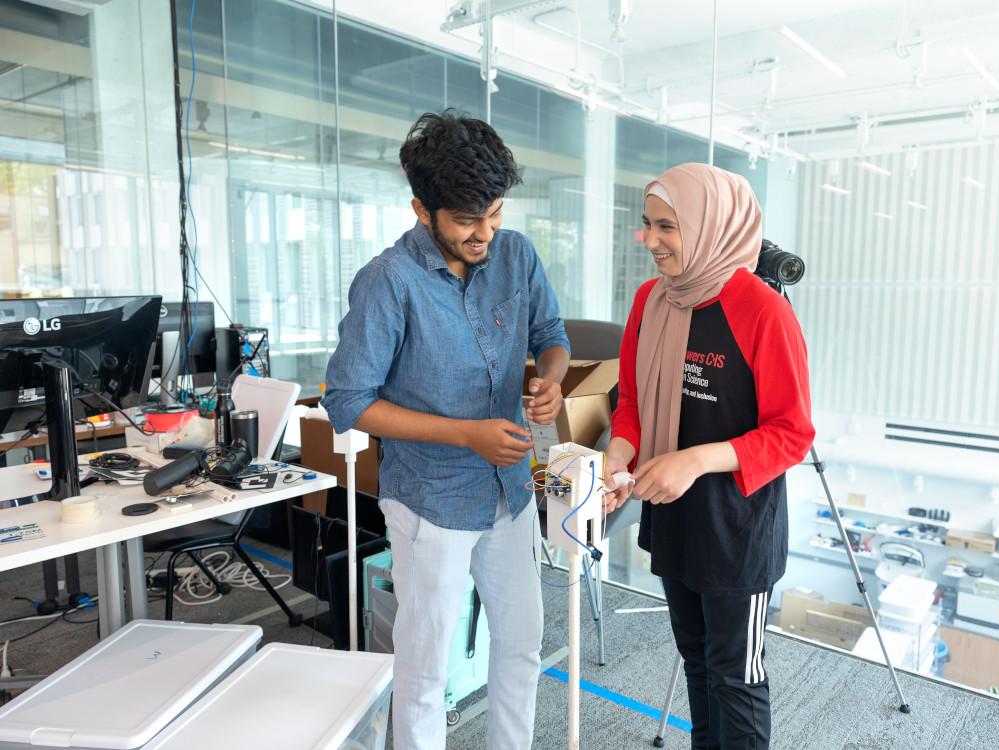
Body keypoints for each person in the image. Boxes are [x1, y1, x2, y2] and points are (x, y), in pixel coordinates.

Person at [322, 110, 570, 750]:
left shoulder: (515, 254)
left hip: (510, 490)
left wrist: (551, 378)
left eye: (494, 213)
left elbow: (551, 337)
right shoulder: (388, 283)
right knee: (426, 665)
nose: (485, 232)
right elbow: (348, 403)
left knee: (521, 646)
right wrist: (466, 435)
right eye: (466, 220)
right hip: (431, 499)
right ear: (421, 209)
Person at [602, 163, 815, 749]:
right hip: (673, 522)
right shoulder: (650, 301)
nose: (650, 241)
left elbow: (792, 433)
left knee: (736, 677)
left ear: (709, 225)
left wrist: (694, 460)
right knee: (696, 663)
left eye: (667, 226)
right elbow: (632, 407)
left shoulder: (763, 310)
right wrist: (619, 459)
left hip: (737, 533)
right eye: (646, 225)